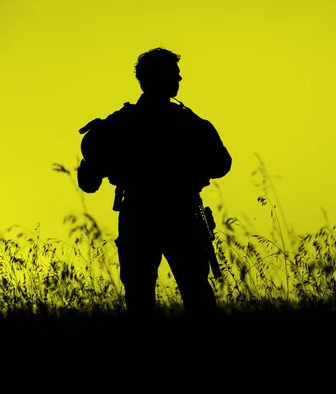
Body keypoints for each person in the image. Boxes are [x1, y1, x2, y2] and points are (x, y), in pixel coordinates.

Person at [76, 47, 232, 320]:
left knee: (140, 300)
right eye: (174, 74)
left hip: (139, 216)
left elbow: (88, 181)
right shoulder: (189, 123)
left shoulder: (120, 123)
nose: (180, 80)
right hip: (180, 216)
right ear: (159, 78)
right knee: (196, 298)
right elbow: (222, 164)